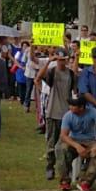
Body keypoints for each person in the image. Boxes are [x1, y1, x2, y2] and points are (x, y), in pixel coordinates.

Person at [56, 92, 96, 191]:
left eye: (73, 105)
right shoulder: (68, 116)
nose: (71, 107)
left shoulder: (92, 112)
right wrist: (77, 146)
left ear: (81, 107)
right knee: (61, 148)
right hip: (74, 141)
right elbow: (63, 135)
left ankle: (85, 182)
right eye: (70, 105)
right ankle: (64, 181)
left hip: (90, 141)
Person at [38, 49, 76, 181]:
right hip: (52, 112)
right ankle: (50, 166)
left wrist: (76, 59)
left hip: (66, 114)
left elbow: (75, 87)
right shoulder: (52, 72)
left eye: (63, 60)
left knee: (67, 144)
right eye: (59, 60)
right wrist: (48, 61)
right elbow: (38, 78)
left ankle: (67, 168)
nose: (61, 62)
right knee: (51, 143)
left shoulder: (70, 73)